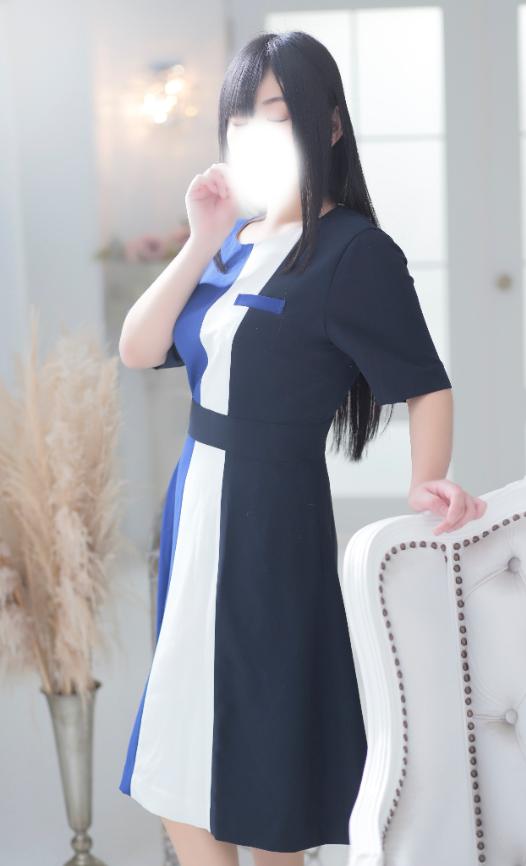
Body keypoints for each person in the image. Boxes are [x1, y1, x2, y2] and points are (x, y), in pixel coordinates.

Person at [117, 29, 486, 866]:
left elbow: (425, 383)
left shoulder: (356, 251)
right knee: (176, 741)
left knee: (267, 743)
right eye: (243, 115)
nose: (259, 130)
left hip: (271, 512)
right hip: (194, 504)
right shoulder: (233, 242)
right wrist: (201, 237)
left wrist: (426, 483)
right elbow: (138, 348)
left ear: (330, 125)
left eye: (280, 112)